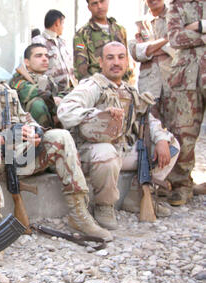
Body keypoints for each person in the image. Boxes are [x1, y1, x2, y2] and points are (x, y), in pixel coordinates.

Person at [0, 42, 113, 249]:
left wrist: (34, 132)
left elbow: (26, 119)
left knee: (61, 136)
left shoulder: (5, 91)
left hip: (15, 158)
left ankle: (79, 212)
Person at [58, 42, 179, 230]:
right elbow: (65, 110)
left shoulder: (129, 90)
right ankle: (104, 206)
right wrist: (99, 115)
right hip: (92, 151)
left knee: (172, 146)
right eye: (110, 57)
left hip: (123, 150)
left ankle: (135, 196)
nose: (116, 62)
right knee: (107, 153)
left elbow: (146, 117)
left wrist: (161, 138)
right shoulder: (93, 86)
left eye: (121, 57)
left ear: (127, 62)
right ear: (100, 62)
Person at [166, 0, 206, 204]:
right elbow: (175, 38)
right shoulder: (177, 5)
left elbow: (185, 35)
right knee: (183, 132)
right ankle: (181, 185)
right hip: (187, 77)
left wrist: (198, 26)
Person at [129, 0, 174, 129]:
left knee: (178, 134)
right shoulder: (139, 24)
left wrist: (149, 48)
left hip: (174, 83)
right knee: (150, 130)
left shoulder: (176, 18)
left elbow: (179, 46)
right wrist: (167, 39)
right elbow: (135, 52)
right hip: (149, 88)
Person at [73, 0, 132, 82]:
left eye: (102, 1)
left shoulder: (120, 30)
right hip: (97, 85)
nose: (99, 6)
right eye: (94, 3)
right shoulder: (82, 34)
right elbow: (81, 68)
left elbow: (125, 60)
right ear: (89, 7)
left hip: (120, 84)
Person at [9, 43, 61, 128]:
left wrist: (61, 99)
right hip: (26, 126)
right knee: (37, 104)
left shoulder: (47, 79)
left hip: (52, 121)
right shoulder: (18, 79)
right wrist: (53, 100)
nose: (45, 59)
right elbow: (37, 93)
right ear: (27, 62)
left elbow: (61, 92)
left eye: (46, 56)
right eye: (39, 56)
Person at [32, 9, 78, 96]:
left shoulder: (62, 42)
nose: (63, 27)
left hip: (70, 91)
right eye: (62, 23)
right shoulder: (38, 42)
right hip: (52, 93)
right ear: (57, 23)